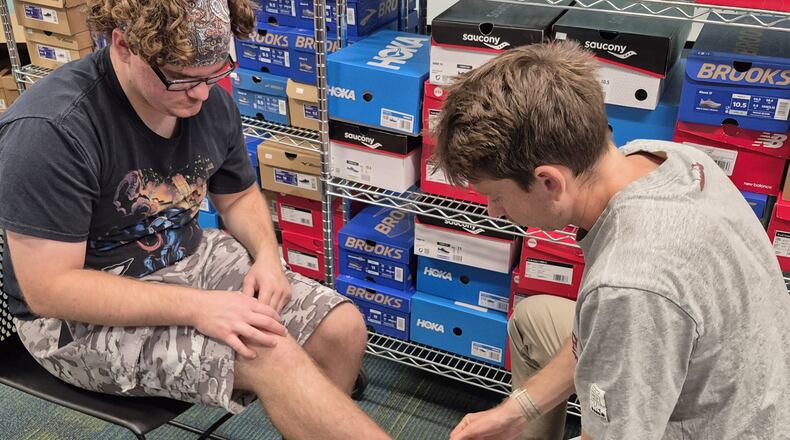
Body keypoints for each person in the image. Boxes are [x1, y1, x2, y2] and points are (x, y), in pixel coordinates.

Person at [0, 1, 390, 439]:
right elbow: (50, 290)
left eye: (216, 74)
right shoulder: (51, 130)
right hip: (75, 316)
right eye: (183, 78)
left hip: (189, 259)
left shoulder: (209, 100)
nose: (202, 94)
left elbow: (239, 194)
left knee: (342, 327)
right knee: (267, 352)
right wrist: (200, 307)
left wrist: (267, 256)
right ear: (124, 44)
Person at [434, 40, 790, 440]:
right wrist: (516, 412)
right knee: (534, 319)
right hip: (749, 384)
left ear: (549, 181)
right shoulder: (669, 157)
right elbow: (604, 332)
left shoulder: (630, 283)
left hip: (723, 427)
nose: (493, 212)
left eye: (495, 196)